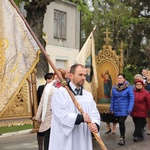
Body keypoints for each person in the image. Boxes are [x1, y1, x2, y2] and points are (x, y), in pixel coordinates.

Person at [49, 64, 100, 150]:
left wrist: (95, 124)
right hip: (66, 141)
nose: (83, 78)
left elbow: (94, 114)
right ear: (71, 75)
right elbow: (60, 115)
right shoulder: (60, 93)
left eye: (85, 75)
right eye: (80, 75)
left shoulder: (88, 95)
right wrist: (80, 118)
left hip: (83, 139)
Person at [35, 69, 66, 150]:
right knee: (47, 139)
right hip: (48, 116)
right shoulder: (48, 86)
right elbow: (42, 101)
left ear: (63, 76)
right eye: (56, 74)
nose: (57, 76)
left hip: (60, 117)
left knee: (59, 140)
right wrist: (38, 116)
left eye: (60, 75)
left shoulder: (66, 87)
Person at [110, 73, 134, 145]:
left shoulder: (128, 87)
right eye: (118, 78)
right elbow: (112, 98)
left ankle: (122, 138)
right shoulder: (115, 87)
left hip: (125, 108)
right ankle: (122, 136)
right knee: (119, 122)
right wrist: (111, 108)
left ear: (124, 79)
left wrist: (130, 108)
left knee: (121, 122)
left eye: (121, 78)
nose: (119, 79)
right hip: (117, 108)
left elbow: (131, 98)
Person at [36, 73, 54, 150]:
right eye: (48, 79)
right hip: (43, 113)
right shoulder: (42, 88)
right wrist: (38, 115)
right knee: (41, 132)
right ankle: (40, 147)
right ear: (46, 80)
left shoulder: (56, 87)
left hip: (52, 114)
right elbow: (40, 101)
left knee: (49, 135)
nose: (50, 80)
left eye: (51, 79)